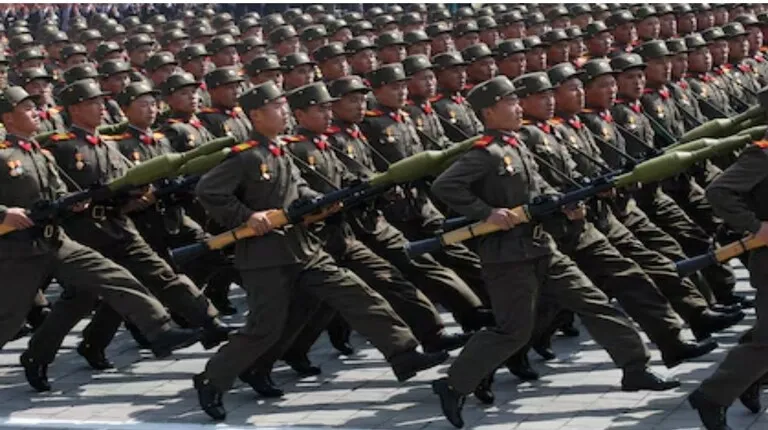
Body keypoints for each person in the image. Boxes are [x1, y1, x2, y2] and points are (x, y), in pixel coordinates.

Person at [430, 76, 678, 429]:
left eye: (518, 102)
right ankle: (454, 384)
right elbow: (445, 185)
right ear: (489, 111)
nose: (518, 108)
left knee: (594, 303)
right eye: (511, 103)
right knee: (513, 330)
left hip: (540, 245)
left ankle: (635, 368)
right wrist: (486, 212)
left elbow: (537, 186)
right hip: (507, 256)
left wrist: (566, 204)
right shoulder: (484, 153)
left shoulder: (516, 144)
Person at [192, 81, 448, 421]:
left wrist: (315, 199)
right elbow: (208, 191)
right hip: (265, 257)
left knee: (357, 293)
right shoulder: (247, 155)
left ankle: (403, 354)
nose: (284, 112)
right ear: (256, 114)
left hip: (304, 248)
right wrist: (246, 216)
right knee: (264, 327)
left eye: (284, 106)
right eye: (277, 107)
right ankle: (212, 378)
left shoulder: (279, 149)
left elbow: (296, 186)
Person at [0, 86, 199, 391]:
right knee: (9, 318)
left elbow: (58, 192)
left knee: (115, 276)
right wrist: (4, 214)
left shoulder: (37, 153)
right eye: (27, 109)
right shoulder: (4, 155)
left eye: (35, 107)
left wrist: (73, 201)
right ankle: (35, 356)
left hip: (57, 240)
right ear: (8, 118)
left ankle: (160, 330)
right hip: (19, 249)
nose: (37, 113)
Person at [689, 87, 768, 430]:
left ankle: (748, 381)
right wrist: (756, 226)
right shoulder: (762, 154)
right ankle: (713, 395)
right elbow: (718, 191)